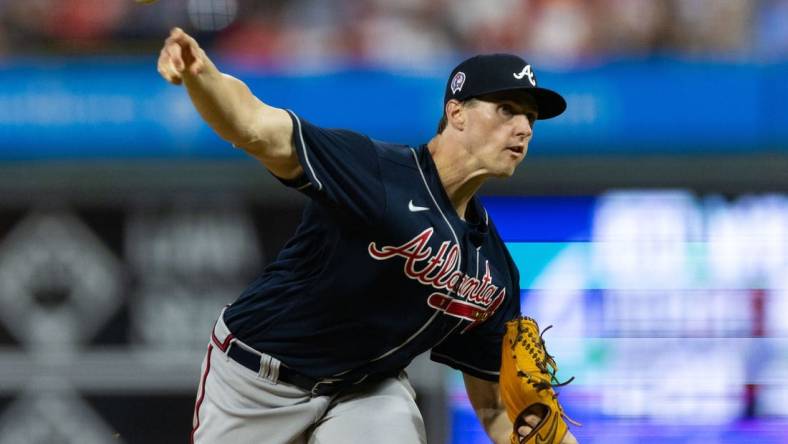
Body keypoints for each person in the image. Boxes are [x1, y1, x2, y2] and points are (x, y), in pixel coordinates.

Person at [157, 27, 578, 444]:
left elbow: (493, 407)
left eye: (530, 117)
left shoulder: (494, 269)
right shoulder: (377, 172)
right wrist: (201, 77)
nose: (524, 128)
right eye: (506, 108)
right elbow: (253, 126)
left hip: (365, 390)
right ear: (456, 113)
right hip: (255, 381)